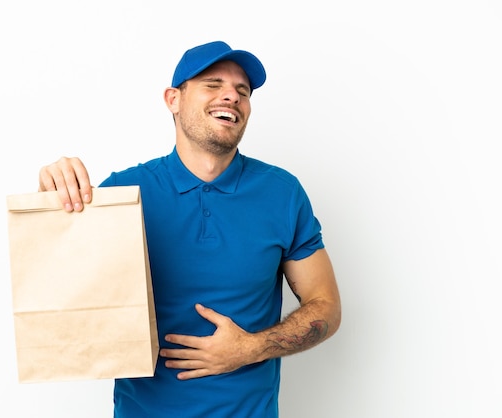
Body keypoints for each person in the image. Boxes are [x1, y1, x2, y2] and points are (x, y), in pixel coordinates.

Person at [38, 40, 341, 418]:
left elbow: (325, 307)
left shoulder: (283, 193)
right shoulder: (122, 192)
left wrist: (250, 348)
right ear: (173, 99)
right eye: (213, 85)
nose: (231, 96)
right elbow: (63, 298)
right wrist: (53, 199)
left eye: (242, 91)